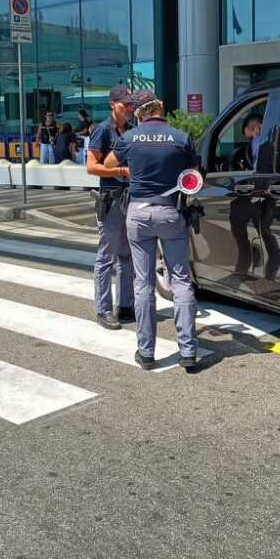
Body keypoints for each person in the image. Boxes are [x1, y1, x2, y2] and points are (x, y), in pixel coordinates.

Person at [104, 90, 200, 373]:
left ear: (139, 113)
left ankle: (146, 353)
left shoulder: (129, 138)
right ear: (162, 108)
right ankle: (189, 352)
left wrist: (132, 168)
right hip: (170, 212)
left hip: (139, 212)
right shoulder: (181, 138)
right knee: (181, 280)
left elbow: (109, 165)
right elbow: (194, 175)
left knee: (143, 283)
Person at [85, 85, 136, 330]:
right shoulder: (102, 131)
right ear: (112, 104)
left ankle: (125, 305)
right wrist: (119, 171)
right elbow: (91, 167)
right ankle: (104, 309)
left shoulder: (132, 130)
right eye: (124, 104)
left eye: (130, 104)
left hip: (129, 197)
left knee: (127, 256)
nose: (129, 108)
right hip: (110, 197)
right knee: (106, 256)